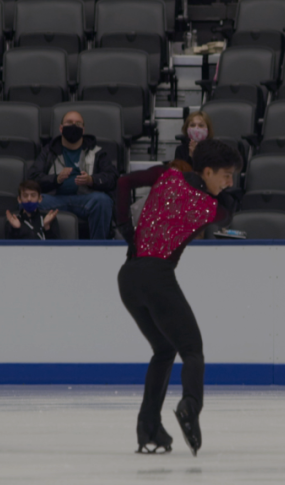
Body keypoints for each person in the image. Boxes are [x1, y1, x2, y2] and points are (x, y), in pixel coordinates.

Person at [115, 139, 242, 457]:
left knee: (164, 349)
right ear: (208, 171)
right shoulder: (210, 206)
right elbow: (228, 214)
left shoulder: (166, 175)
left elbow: (124, 182)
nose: (229, 182)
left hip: (128, 277)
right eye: (226, 175)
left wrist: (125, 228)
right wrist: (219, 193)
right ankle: (190, 406)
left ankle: (149, 429)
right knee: (192, 350)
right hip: (157, 277)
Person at [27, 111, 119, 239]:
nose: (74, 126)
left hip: (86, 200)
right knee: (27, 202)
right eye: (69, 123)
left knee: (103, 201)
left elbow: (112, 177)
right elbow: (32, 178)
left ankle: (98, 248)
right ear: (61, 128)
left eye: (78, 124)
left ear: (83, 130)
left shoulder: (96, 151)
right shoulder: (49, 151)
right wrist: (56, 179)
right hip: (55, 199)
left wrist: (91, 180)